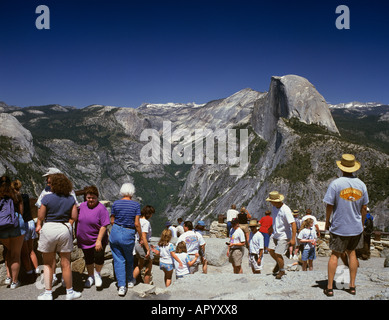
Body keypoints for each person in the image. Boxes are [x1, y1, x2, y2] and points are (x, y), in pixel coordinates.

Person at [323, 154, 368, 297]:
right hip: (355, 227)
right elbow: (364, 208)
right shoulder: (361, 185)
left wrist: (327, 221)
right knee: (352, 253)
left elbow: (329, 205)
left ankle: (330, 288)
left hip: (339, 226)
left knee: (335, 255)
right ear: (354, 168)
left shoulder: (335, 184)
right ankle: (352, 286)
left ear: (341, 167)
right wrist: (360, 223)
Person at [35, 173, 81, 300]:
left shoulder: (47, 198)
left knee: (48, 264)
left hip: (49, 228)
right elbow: (74, 217)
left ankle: (48, 293)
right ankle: (70, 292)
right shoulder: (70, 199)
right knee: (66, 263)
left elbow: (41, 216)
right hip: (64, 228)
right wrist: (67, 225)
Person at [109, 182, 142, 296]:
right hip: (128, 232)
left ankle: (121, 286)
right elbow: (137, 224)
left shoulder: (116, 204)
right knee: (129, 258)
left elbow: (112, 220)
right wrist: (141, 237)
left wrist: (117, 229)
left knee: (118, 259)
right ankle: (130, 280)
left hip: (115, 231)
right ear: (132, 192)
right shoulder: (135, 205)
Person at [76, 185, 110, 289]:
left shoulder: (101, 208)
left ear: (97, 197)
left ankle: (97, 274)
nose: (91, 200)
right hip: (85, 240)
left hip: (97, 239)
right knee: (88, 258)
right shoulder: (81, 206)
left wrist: (99, 240)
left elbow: (104, 225)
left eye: (93, 198)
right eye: (89, 197)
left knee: (99, 257)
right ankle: (90, 276)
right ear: (86, 197)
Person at [0, 176, 25, 289]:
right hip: (15, 226)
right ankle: (14, 282)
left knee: (9, 251)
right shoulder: (16, 195)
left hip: (1, 228)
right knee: (15, 254)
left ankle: (8, 277)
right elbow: (21, 212)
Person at [12, 179, 39, 280]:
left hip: (23, 225)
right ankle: (37, 271)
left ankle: (30, 273)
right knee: (31, 250)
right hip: (31, 223)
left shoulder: (14, 199)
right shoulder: (26, 196)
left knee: (24, 253)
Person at [266, 191, 296, 280]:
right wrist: (271, 227)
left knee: (278, 253)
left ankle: (282, 270)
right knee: (270, 250)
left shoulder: (286, 210)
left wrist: (293, 239)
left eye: (271, 201)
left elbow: (293, 224)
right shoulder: (274, 207)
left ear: (276, 201)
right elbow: (275, 219)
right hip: (275, 233)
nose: (270, 202)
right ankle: (278, 263)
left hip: (283, 235)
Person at [133, 205, 155, 285]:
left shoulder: (138, 221)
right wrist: (148, 249)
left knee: (140, 265)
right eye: (151, 214)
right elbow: (144, 237)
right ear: (148, 214)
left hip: (137, 244)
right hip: (143, 245)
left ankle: (131, 281)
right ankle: (147, 285)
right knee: (149, 266)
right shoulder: (146, 222)